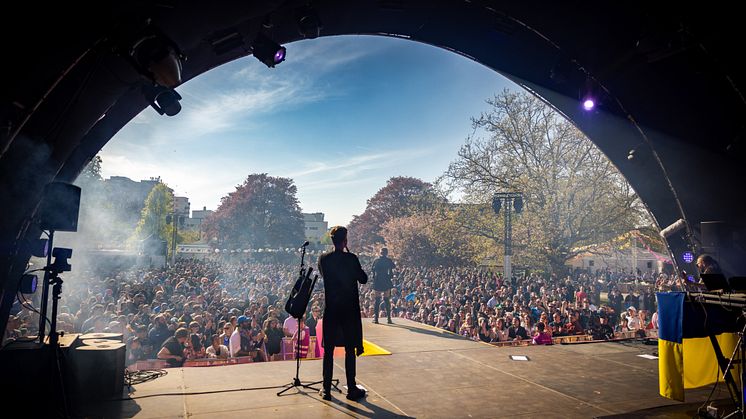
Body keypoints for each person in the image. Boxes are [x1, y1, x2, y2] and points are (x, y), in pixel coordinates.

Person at [317, 226, 368, 401]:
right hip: (349, 311)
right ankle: (351, 388)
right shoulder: (351, 259)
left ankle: (326, 390)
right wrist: (349, 254)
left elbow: (324, 275)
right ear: (345, 241)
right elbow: (363, 279)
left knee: (329, 350)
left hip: (332, 310)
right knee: (349, 350)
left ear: (332, 241)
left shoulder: (324, 259)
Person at [371, 247, 396, 324]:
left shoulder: (376, 260)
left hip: (378, 280)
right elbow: (393, 267)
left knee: (377, 300)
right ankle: (389, 318)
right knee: (386, 299)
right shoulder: (388, 261)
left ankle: (376, 318)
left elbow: (373, 270)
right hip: (386, 280)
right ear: (386, 253)